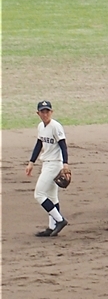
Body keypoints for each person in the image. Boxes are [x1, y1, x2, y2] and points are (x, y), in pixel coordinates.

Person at [25, 100, 70, 237]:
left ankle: (60, 220)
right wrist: (31, 162)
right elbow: (39, 144)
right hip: (46, 163)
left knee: (39, 194)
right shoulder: (41, 126)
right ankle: (52, 227)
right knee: (52, 196)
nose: (45, 114)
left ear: (51, 112)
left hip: (55, 164)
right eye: (42, 112)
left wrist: (65, 164)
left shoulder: (56, 127)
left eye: (47, 111)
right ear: (38, 113)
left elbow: (63, 146)